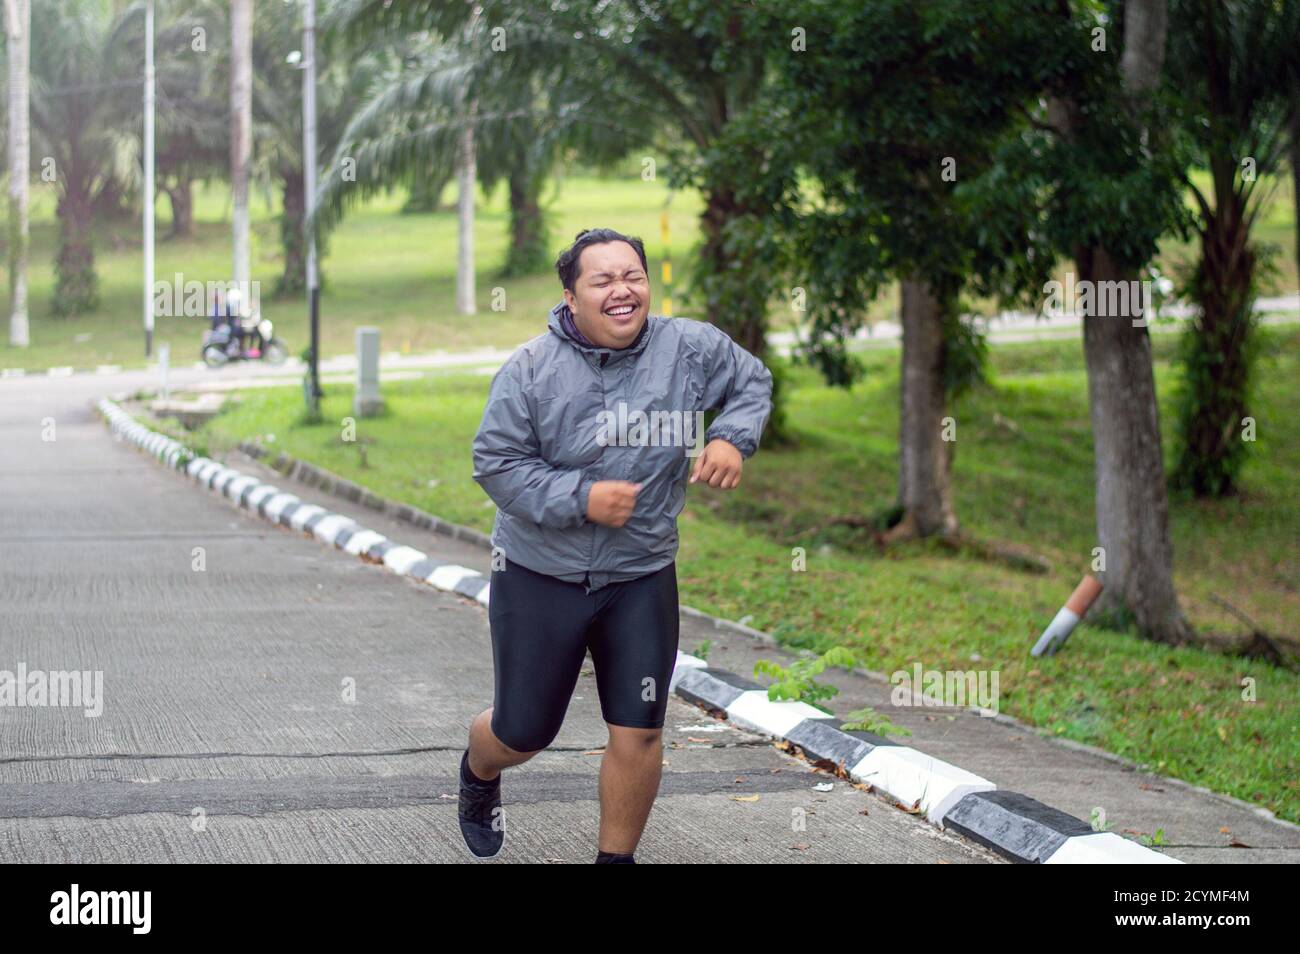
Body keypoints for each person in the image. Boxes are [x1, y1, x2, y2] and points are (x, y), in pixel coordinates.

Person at [461, 228, 773, 862]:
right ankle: (479, 773)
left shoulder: (690, 348)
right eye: (602, 280)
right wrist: (580, 498)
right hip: (540, 574)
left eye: (633, 276)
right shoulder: (529, 371)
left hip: (641, 573)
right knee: (523, 732)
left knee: (640, 729)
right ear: (571, 296)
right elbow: (495, 462)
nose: (622, 290)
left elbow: (751, 381)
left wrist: (732, 439)